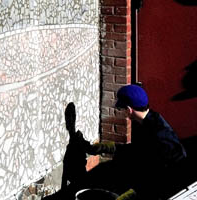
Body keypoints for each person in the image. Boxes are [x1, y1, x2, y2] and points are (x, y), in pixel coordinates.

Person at [46, 84, 188, 200]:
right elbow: (136, 150)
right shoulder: (149, 120)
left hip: (166, 187)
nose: (122, 112)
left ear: (129, 110)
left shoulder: (159, 136)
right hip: (151, 177)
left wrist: (133, 193)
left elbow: (157, 173)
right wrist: (102, 148)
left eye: (122, 109)